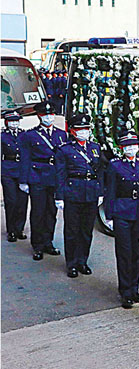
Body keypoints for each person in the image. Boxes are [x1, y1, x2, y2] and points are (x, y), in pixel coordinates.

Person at [106, 132, 139, 308]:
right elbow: (110, 191)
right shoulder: (115, 165)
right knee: (124, 253)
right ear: (121, 148)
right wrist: (110, 215)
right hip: (122, 213)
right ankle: (125, 291)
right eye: (127, 146)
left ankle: (134, 288)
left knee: (137, 253)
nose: (131, 149)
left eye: (133, 145)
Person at [54, 113, 104, 278]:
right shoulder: (65, 150)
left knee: (86, 230)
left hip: (90, 192)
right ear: (73, 131)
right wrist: (59, 196)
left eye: (86, 129)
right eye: (80, 129)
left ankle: (83, 261)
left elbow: (101, 171)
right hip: (73, 192)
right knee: (72, 230)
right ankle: (72, 263)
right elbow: (60, 174)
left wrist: (101, 192)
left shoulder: (95, 148)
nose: (84, 132)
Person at [19, 101, 68, 261]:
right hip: (37, 177)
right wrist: (24, 180)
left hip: (54, 177)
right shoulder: (29, 135)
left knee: (51, 212)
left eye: (51, 114)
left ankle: (48, 242)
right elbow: (25, 159)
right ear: (39, 116)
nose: (49, 117)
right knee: (38, 212)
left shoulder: (62, 134)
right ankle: (37, 245)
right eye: (45, 114)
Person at [2, 111, 28, 242]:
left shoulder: (25, 134)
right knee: (11, 200)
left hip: (22, 170)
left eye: (16, 120)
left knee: (22, 200)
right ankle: (11, 230)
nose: (14, 123)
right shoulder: (2, 136)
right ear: (6, 122)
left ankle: (19, 229)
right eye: (12, 121)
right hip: (7, 170)